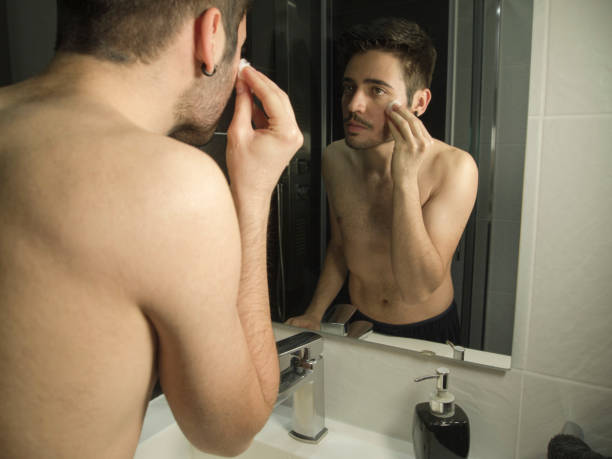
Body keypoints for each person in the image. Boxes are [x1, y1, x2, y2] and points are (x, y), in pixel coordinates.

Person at [0, 1, 303, 457]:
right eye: (242, 46)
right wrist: (255, 195)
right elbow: (227, 431)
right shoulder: (170, 186)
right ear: (212, 36)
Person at [286, 18, 477, 344]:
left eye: (377, 90)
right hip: (361, 321)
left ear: (419, 103)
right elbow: (341, 246)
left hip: (425, 328)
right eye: (349, 88)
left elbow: (417, 287)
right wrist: (315, 312)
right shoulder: (336, 158)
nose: (354, 105)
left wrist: (404, 178)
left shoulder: (454, 168)